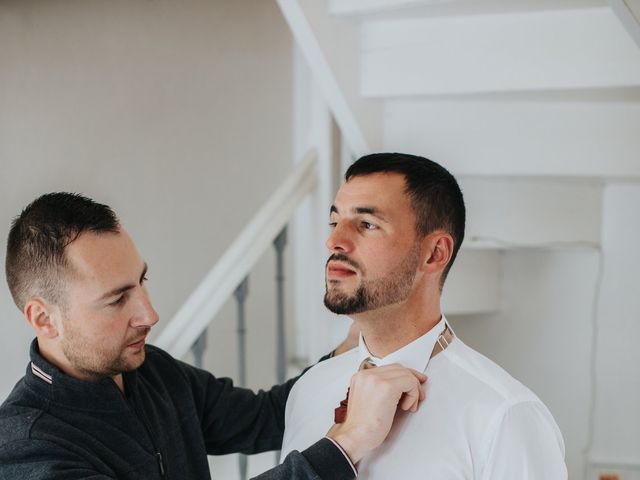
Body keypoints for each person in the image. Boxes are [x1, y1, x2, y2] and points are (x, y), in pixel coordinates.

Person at [0, 192, 427, 480]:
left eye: (142, 282)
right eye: (116, 300)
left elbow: (267, 418)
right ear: (44, 319)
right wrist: (346, 444)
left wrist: (348, 348)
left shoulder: (153, 371)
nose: (149, 314)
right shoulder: (26, 451)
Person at [281, 153, 568, 479]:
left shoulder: (504, 416)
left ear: (434, 253)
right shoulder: (309, 391)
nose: (334, 241)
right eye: (335, 222)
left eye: (367, 224)